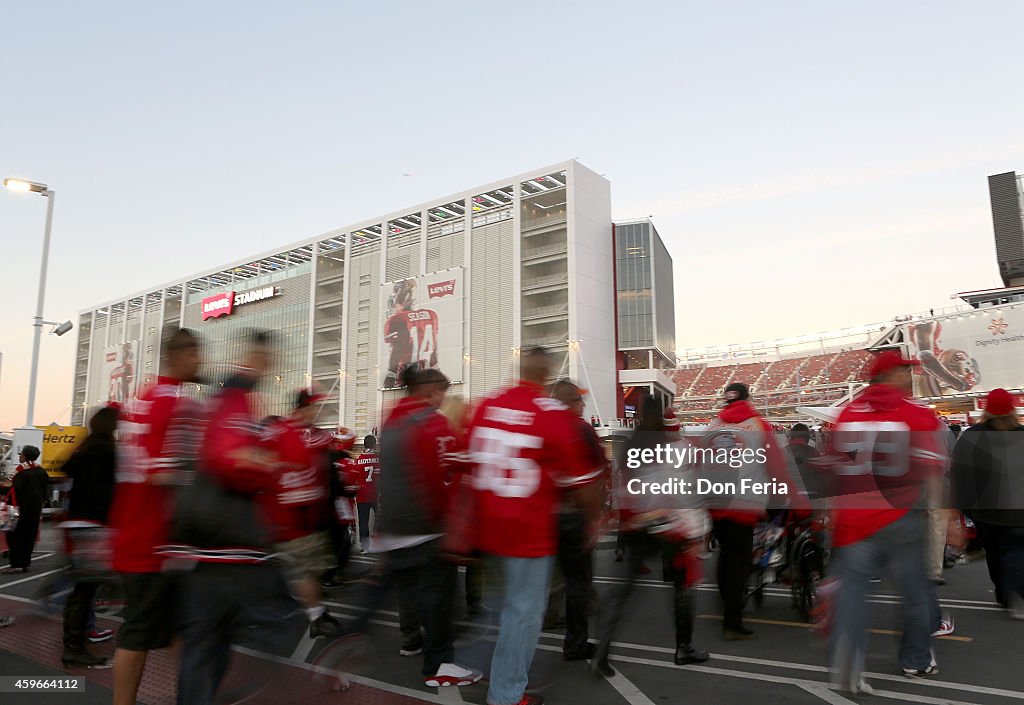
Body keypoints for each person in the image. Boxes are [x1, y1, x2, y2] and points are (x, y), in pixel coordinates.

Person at [166, 330, 300, 705]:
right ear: (255, 358)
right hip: (224, 544)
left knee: (208, 644)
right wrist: (267, 465)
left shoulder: (219, 400)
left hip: (203, 542)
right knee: (273, 620)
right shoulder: (234, 399)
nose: (270, 364)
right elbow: (229, 461)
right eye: (265, 357)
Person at [468, 347, 604, 705]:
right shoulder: (550, 415)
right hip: (527, 531)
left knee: (502, 607)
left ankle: (490, 672)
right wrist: (593, 521)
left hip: (489, 528)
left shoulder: (486, 406)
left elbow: (470, 463)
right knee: (523, 615)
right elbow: (584, 481)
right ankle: (506, 693)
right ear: (545, 374)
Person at [827, 350, 963, 694]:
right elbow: (934, 473)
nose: (911, 376)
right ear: (891, 374)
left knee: (854, 594)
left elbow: (834, 469)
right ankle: (915, 660)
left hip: (855, 519)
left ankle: (848, 663)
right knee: (914, 593)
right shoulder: (915, 413)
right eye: (906, 371)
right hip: (900, 516)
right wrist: (950, 521)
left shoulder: (846, 413)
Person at [351, 364, 482, 688]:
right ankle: (440, 664)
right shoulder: (433, 423)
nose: (442, 399)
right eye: (441, 393)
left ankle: (357, 638)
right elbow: (447, 471)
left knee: (398, 592)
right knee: (439, 599)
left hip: (394, 525)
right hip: (426, 527)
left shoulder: (392, 420)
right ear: (430, 391)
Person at [110, 328, 204, 704]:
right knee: (139, 633)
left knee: (181, 624)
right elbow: (161, 474)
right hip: (151, 542)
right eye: (196, 354)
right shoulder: (171, 402)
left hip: (146, 538)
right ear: (179, 356)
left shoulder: (146, 398)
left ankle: (194, 694)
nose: (200, 362)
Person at [593, 395, 709, 679]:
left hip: (638, 526)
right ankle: (684, 648)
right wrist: (695, 529)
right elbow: (683, 491)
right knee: (682, 586)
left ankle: (602, 652)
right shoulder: (675, 447)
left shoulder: (631, 444)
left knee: (625, 592)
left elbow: (622, 485)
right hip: (670, 526)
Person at [264, 389, 341, 639]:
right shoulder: (300, 434)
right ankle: (316, 616)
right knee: (307, 570)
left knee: (302, 569)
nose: (315, 413)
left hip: (291, 515)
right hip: (295, 516)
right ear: (302, 408)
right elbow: (331, 442)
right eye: (312, 408)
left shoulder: (277, 431)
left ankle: (314, 611)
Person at [951, 388, 1024, 616]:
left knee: (993, 552)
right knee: (1016, 549)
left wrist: (960, 507)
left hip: (985, 509)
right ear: (1012, 409)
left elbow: (960, 473)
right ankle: (1017, 595)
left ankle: (1003, 594)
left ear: (986, 410)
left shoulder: (973, 435)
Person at [549, 379, 608, 661]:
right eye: (578, 400)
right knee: (578, 582)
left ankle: (547, 618)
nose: (582, 405)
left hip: (545, 516)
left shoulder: (543, 428)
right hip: (574, 515)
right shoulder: (581, 429)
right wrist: (596, 518)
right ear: (568, 403)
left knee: (549, 577)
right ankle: (575, 642)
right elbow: (597, 473)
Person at [61, 406, 119, 668]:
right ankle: (74, 646)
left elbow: (68, 469)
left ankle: (76, 640)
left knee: (82, 587)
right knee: (86, 588)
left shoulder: (85, 448)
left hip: (76, 522)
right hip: (93, 523)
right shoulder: (106, 451)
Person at [3, 446, 48, 574]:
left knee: (14, 536)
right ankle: (25, 564)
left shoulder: (20, 471)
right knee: (29, 536)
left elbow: (10, 489)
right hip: (34, 510)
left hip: (18, 509)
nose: (19, 456)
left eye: (21, 454)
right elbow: (45, 491)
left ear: (25, 456)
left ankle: (16, 564)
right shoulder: (42, 471)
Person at [354, 435, 380, 553]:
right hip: (375, 494)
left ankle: (365, 547)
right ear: (374, 444)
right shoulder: (378, 458)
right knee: (380, 517)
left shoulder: (358, 460)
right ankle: (377, 540)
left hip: (361, 495)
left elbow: (355, 477)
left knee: (363, 521)